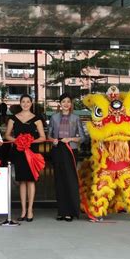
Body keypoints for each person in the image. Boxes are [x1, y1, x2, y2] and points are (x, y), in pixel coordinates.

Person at [4, 94, 46, 222]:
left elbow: (43, 137)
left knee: (31, 180)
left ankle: (30, 210)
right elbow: (7, 135)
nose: (26, 104)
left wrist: (30, 142)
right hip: (19, 152)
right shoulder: (13, 118)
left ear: (31, 103)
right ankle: (23, 210)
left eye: (28, 101)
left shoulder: (37, 119)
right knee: (22, 181)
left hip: (32, 153)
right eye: (23, 101)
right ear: (20, 103)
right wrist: (18, 140)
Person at [48, 93, 85, 222]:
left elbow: (82, 137)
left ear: (71, 104)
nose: (66, 104)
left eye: (68, 102)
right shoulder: (54, 117)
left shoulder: (75, 118)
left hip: (70, 150)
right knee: (59, 181)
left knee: (70, 180)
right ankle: (61, 211)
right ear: (60, 103)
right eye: (63, 101)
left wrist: (70, 139)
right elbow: (49, 135)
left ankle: (70, 211)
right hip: (58, 150)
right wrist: (53, 140)